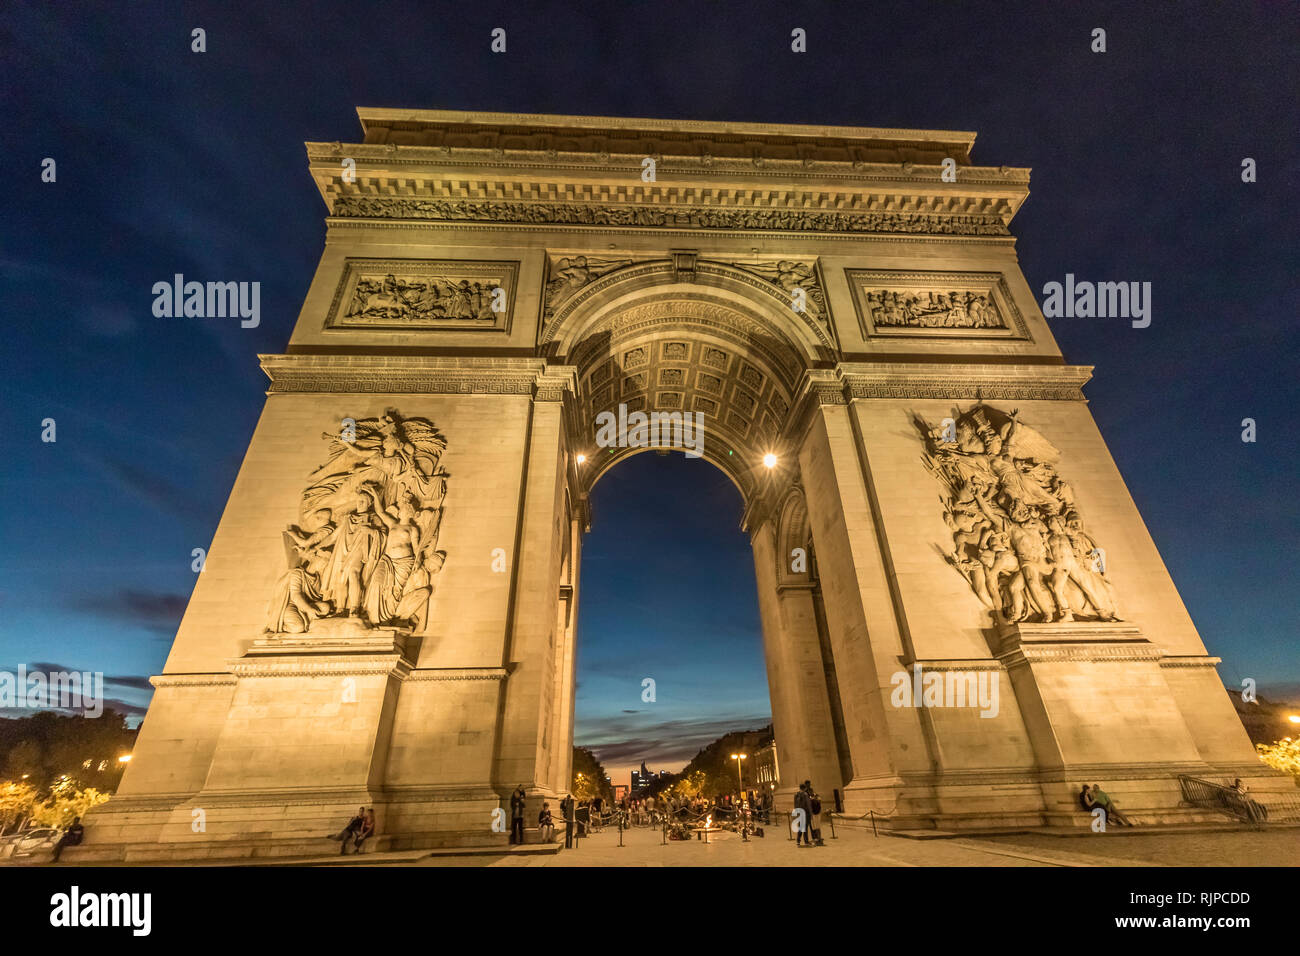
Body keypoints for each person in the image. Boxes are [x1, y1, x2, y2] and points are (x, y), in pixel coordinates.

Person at [793, 782, 812, 846]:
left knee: (801, 827)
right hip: (805, 812)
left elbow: (795, 804)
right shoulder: (805, 794)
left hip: (799, 812)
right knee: (805, 827)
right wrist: (811, 813)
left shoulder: (796, 794)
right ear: (805, 788)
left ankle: (798, 840)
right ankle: (806, 841)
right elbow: (808, 804)